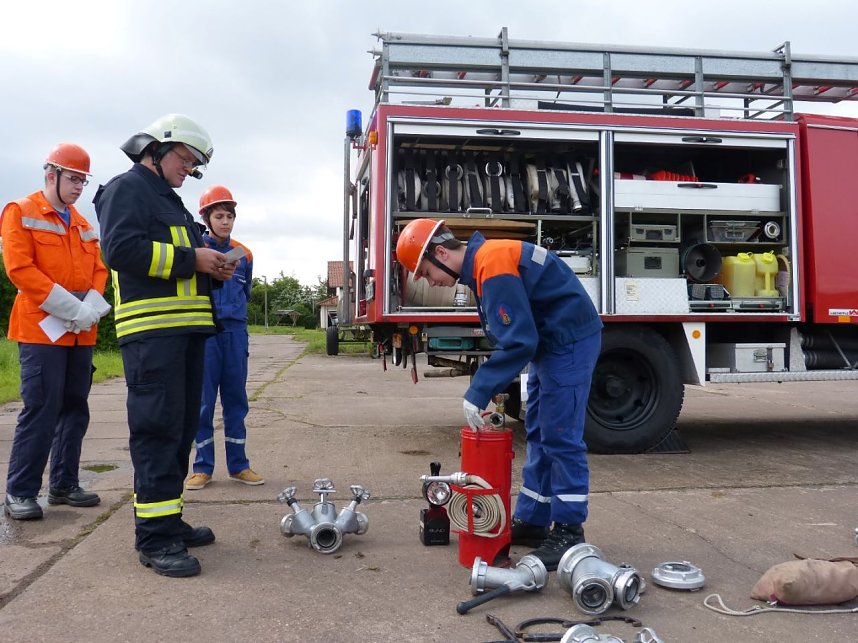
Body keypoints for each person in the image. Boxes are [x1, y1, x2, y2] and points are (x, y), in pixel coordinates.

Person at [396, 218, 603, 570]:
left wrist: (478, 391)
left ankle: (569, 530)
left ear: (442, 252)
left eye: (427, 272)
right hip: (553, 344)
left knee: (560, 436)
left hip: (568, 343)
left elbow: (519, 340)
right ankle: (536, 520)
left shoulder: (491, 264)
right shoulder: (485, 263)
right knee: (538, 430)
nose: (431, 281)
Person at [93, 114, 237, 578]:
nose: (190, 171)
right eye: (186, 160)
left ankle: (168, 520)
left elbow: (177, 265)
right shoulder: (126, 189)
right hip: (154, 337)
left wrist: (209, 268)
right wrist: (192, 257)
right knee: (157, 432)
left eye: (196, 166)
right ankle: (154, 540)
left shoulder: (169, 201)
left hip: (185, 334)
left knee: (178, 432)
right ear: (155, 150)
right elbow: (120, 250)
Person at [2, 143, 109, 520]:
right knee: (41, 409)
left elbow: (100, 270)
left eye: (83, 180)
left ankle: (64, 484)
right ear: (52, 176)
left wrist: (90, 310)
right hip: (40, 330)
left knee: (75, 409)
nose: (79, 187)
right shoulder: (21, 211)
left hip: (80, 332)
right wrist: (72, 308)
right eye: (73, 179)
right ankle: (20, 491)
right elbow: (20, 269)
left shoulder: (83, 225)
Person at [186, 185, 264, 491]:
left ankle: (239, 465)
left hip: (235, 333)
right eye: (219, 215)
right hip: (205, 332)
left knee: (235, 399)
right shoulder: (196, 252)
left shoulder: (244, 254)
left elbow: (246, 292)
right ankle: (202, 467)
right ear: (206, 217)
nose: (226, 221)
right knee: (203, 403)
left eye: (230, 216)